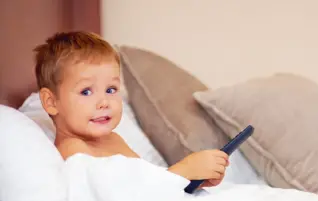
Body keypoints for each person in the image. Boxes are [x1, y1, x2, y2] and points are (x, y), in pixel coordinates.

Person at [34, 31, 229, 188]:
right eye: (86, 92)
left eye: (111, 89)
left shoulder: (113, 139)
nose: (104, 102)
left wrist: (191, 180)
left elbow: (149, 184)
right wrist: (183, 170)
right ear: (51, 102)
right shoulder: (74, 150)